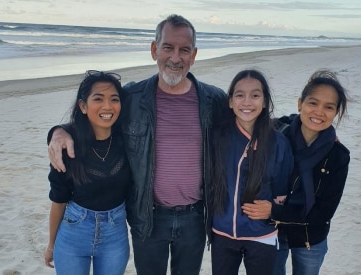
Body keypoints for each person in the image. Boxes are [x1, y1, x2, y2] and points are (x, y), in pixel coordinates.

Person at [47, 15, 226, 275]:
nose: (175, 58)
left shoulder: (214, 100)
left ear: (194, 55)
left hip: (195, 217)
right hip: (148, 217)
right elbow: (96, 119)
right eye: (168, 47)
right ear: (154, 50)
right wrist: (59, 131)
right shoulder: (131, 98)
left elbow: (251, 123)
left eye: (184, 50)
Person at [242, 69, 350, 275]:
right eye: (313, 103)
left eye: (329, 107)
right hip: (271, 231)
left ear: (335, 113)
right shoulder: (275, 131)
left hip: (310, 236)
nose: (319, 112)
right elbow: (241, 129)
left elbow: (324, 212)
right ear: (300, 103)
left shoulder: (338, 155)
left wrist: (274, 211)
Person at [44, 70, 133, 275]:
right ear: (83, 106)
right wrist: (51, 245)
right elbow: (58, 198)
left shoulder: (128, 140)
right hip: (74, 231)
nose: (107, 106)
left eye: (114, 99)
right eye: (98, 99)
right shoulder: (67, 146)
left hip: (115, 233)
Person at [208, 69, 294, 275]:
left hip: (261, 235)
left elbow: (283, 189)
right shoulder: (217, 137)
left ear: (264, 102)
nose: (247, 102)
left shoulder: (279, 142)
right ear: (230, 102)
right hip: (222, 233)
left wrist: (272, 210)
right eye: (239, 95)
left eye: (255, 95)